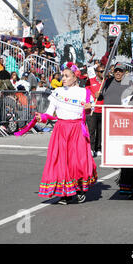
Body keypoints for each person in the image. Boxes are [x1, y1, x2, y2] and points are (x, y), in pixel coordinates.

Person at [31, 62, 97, 205]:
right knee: (62, 162)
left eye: (67, 76)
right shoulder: (58, 92)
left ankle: (79, 189)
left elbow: (90, 112)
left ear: (75, 77)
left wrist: (88, 108)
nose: (63, 78)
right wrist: (40, 117)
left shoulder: (85, 93)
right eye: (62, 76)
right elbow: (49, 113)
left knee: (77, 161)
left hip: (77, 129)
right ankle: (65, 193)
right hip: (61, 130)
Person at [85, 64, 105, 158]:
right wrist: (93, 97)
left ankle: (98, 148)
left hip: (103, 110)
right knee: (92, 130)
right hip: (93, 109)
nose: (102, 73)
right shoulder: (90, 81)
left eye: (104, 71)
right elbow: (86, 94)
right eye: (101, 71)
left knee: (100, 131)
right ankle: (91, 149)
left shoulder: (106, 82)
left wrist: (102, 94)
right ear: (97, 72)